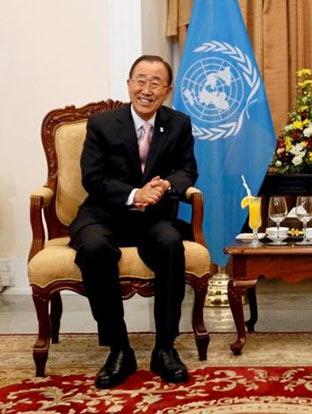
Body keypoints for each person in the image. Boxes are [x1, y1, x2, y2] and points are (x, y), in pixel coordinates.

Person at [70, 55, 198, 389]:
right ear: (129, 84)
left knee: (171, 244)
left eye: (156, 82)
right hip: (104, 213)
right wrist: (134, 194)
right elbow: (93, 178)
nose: (146, 89)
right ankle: (119, 349)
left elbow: (188, 170)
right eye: (140, 80)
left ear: (167, 90)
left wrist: (166, 185)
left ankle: (164, 348)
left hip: (152, 217)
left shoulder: (179, 123)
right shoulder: (102, 123)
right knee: (95, 247)